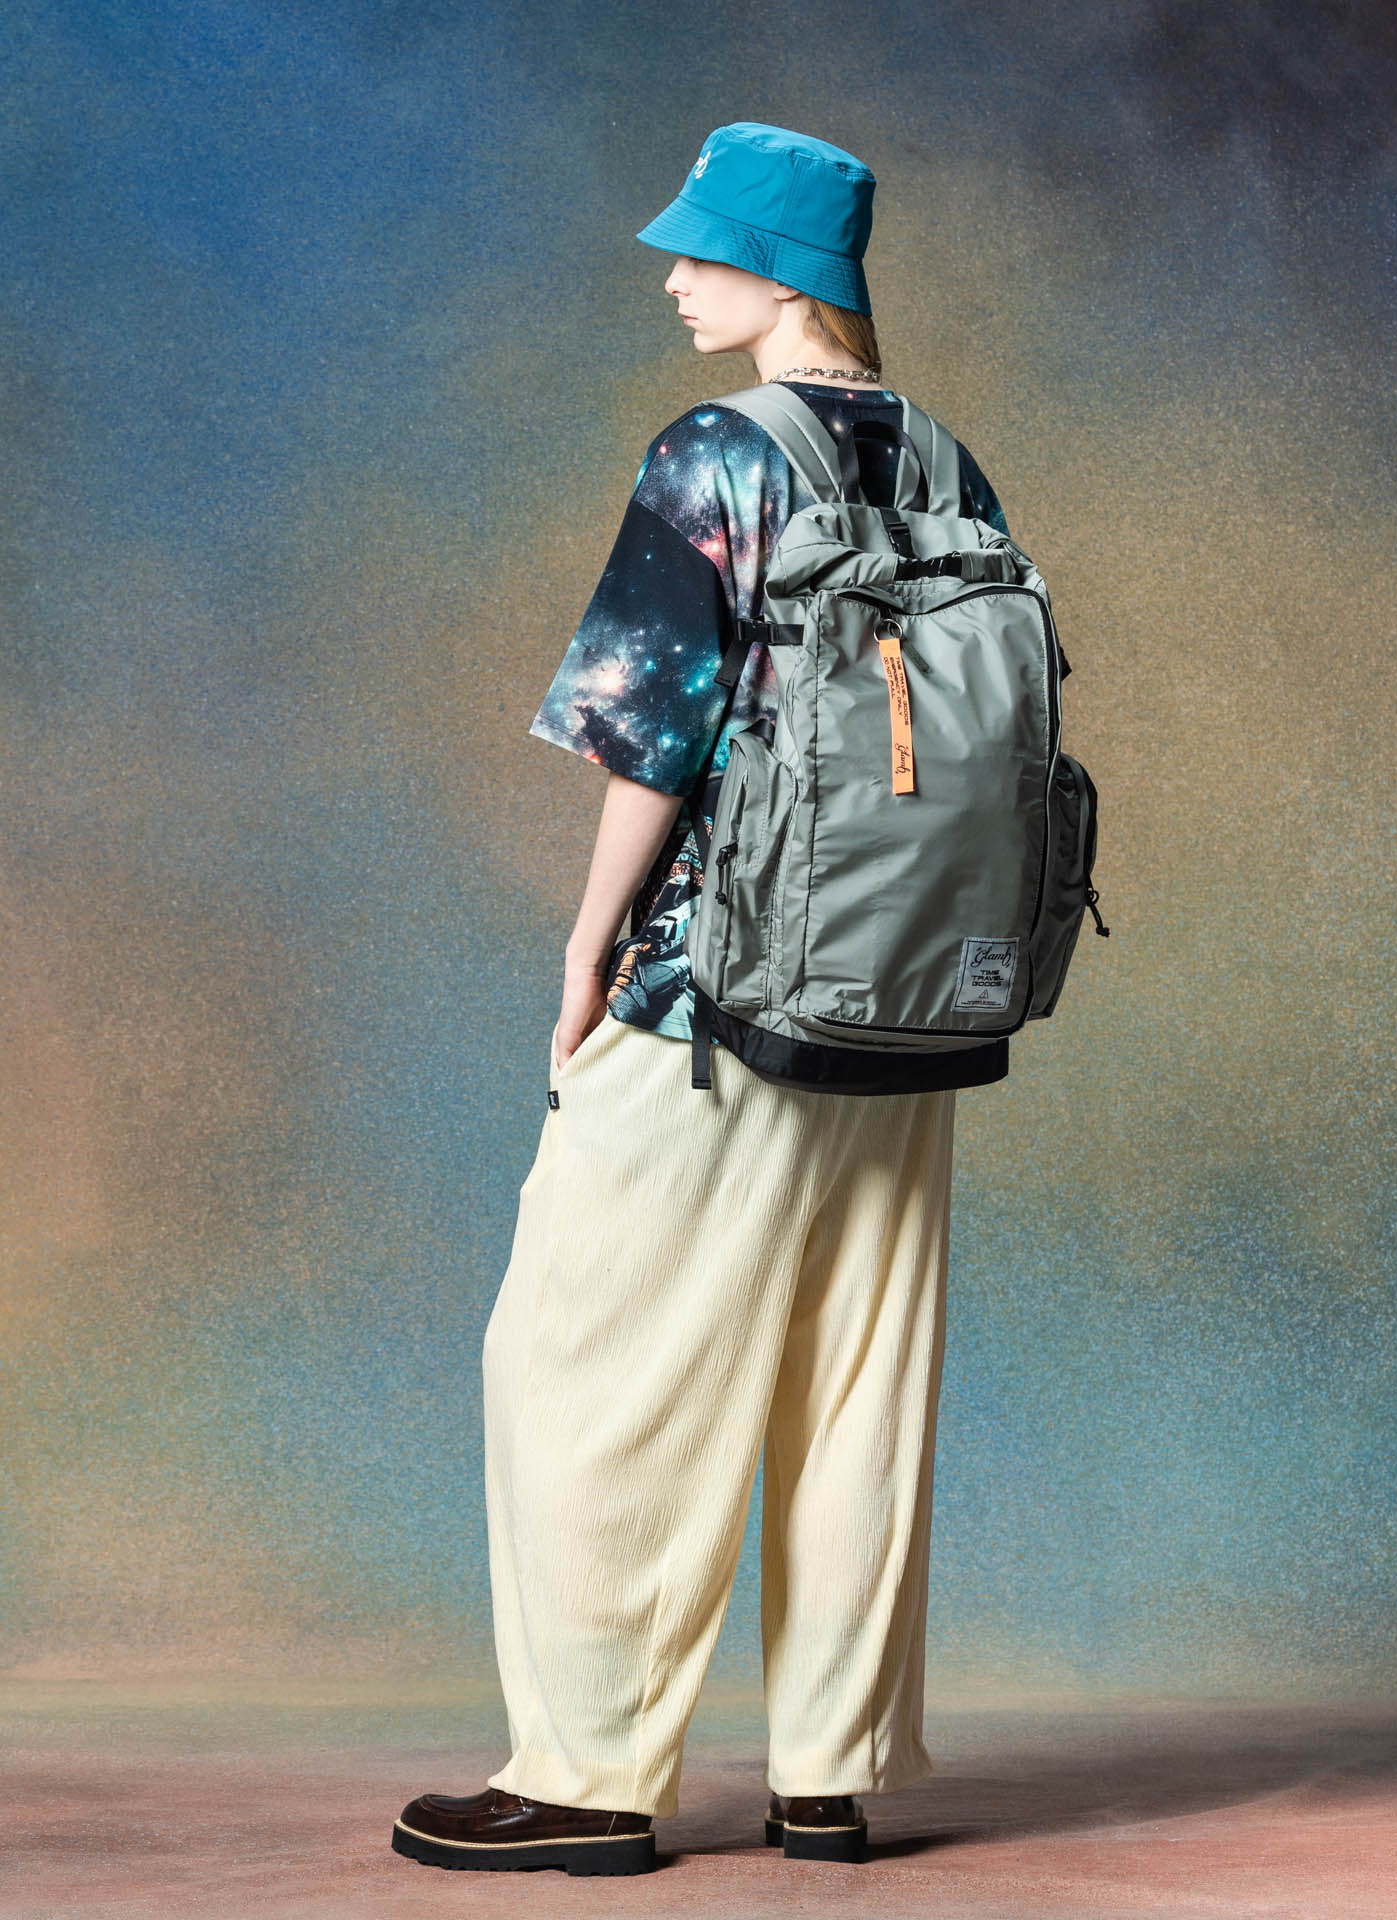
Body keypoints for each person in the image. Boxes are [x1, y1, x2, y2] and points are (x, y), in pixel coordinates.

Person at [393, 121, 1013, 1879]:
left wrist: (592, 943)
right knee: (854, 1376)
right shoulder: (949, 457)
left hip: (716, 987)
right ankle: (829, 1774)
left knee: (586, 1361)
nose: (674, 279)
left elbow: (652, 732)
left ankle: (589, 1780)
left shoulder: (719, 450)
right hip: (911, 995)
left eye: (703, 252)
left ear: (784, 275)